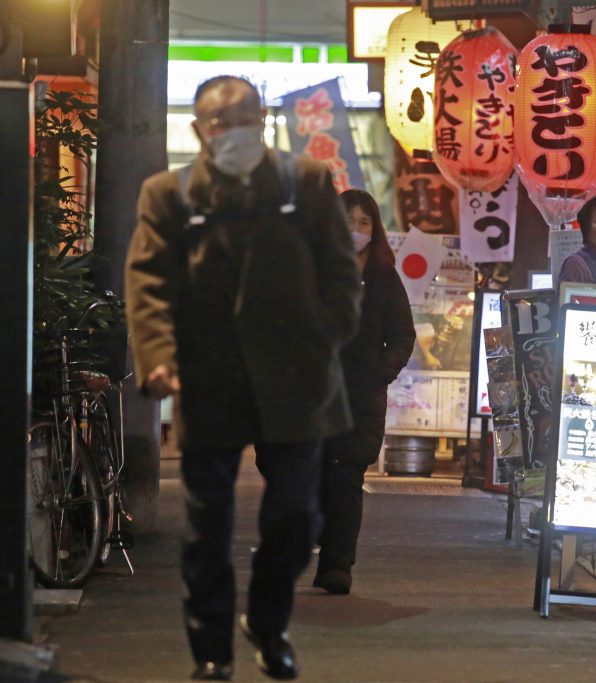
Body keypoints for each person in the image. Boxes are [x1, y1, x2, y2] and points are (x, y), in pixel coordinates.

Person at [125, 76, 361, 682]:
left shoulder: (303, 181)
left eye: (244, 118)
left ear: (263, 120)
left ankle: (268, 621)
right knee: (207, 528)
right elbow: (148, 283)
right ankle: (211, 650)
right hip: (209, 381)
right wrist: (157, 355)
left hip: (298, 380)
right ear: (200, 129)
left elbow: (342, 272)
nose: (233, 131)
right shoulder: (168, 194)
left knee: (295, 519)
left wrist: (325, 337)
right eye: (219, 121)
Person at [314, 189, 416, 595]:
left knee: (346, 477)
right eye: (347, 222)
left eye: (364, 222)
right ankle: (322, 540)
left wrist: (380, 374)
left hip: (360, 396)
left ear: (374, 230)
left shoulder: (384, 278)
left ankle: (338, 566)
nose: (355, 230)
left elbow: (403, 335)